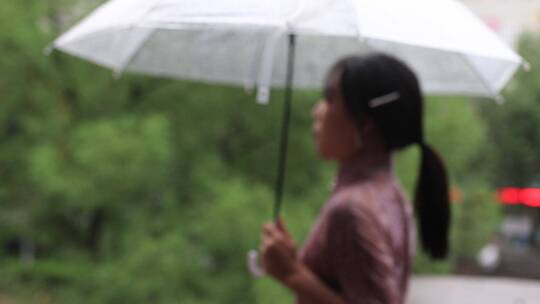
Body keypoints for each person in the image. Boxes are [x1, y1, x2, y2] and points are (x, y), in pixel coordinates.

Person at [260, 53, 450, 304]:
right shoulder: (390, 193)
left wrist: (292, 273)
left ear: (365, 124)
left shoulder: (351, 209)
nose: (317, 111)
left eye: (330, 99)